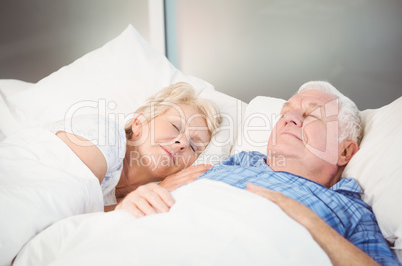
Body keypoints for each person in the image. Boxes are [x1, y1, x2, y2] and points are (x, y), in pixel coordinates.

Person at [123, 81, 398, 265]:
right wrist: (134, 203)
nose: (290, 118)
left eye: (312, 116)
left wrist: (307, 220)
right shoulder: (234, 164)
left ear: (345, 153)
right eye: (285, 113)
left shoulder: (350, 209)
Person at [54, 82, 221, 212]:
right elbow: (60, 206)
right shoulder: (104, 134)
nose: (183, 143)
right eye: (175, 127)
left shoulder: (143, 196)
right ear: (139, 123)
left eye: (193, 146)